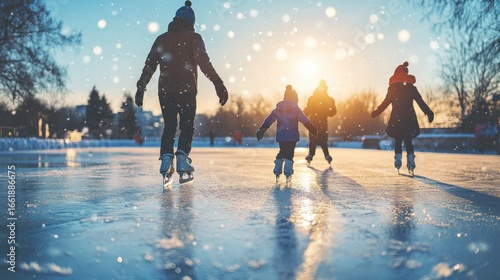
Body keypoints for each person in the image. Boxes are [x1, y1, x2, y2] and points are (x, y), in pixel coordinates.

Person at [135, 1, 228, 184]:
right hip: (187, 90)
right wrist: (218, 83)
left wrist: (141, 87)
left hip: (166, 91)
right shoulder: (194, 37)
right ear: (191, 22)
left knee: (169, 126)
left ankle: (166, 159)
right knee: (187, 125)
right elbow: (204, 62)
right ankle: (183, 159)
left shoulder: (161, 39)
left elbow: (149, 65)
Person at [371, 61, 434, 174]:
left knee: (398, 140)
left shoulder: (392, 88)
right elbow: (420, 102)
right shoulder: (411, 88)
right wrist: (428, 112)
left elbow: (385, 103)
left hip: (397, 119)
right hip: (409, 118)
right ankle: (411, 161)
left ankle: (398, 159)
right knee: (408, 141)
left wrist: (377, 111)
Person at [256, 85, 318, 182]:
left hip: (281, 135)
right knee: (290, 152)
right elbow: (304, 120)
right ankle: (288, 170)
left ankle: (278, 164)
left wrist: (262, 130)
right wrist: (312, 128)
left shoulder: (277, 109)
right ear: (295, 98)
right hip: (292, 135)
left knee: (282, 151)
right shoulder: (296, 109)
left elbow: (269, 120)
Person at [303, 79, 337, 165]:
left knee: (314, 138)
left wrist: (306, 112)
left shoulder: (313, 98)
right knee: (322, 139)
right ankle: (325, 155)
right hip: (322, 122)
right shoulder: (328, 99)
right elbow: (333, 112)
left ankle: (312, 154)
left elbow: (308, 110)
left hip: (315, 121)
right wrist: (327, 111)